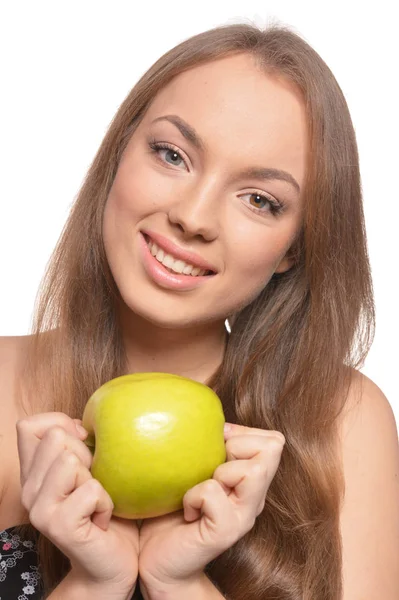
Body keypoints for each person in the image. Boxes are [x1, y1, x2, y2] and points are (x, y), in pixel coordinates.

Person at [0, 19, 398, 600]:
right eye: (172, 154)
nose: (194, 216)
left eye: (259, 200)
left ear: (294, 248)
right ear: (119, 153)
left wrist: (178, 581)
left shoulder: (342, 423)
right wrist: (92, 584)